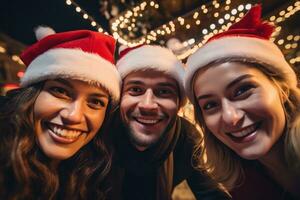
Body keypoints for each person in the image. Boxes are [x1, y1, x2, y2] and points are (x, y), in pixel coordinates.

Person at [184, 5, 300, 200]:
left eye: (243, 90)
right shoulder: (241, 183)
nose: (231, 117)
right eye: (210, 105)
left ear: (282, 91)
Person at [0, 26, 121, 199]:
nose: (74, 116)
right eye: (60, 91)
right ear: (32, 96)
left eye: (95, 102)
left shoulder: (101, 179)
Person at [108, 44, 230, 200]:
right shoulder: (100, 134)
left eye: (164, 92)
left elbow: (209, 192)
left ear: (179, 104)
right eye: (136, 90)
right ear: (119, 98)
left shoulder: (185, 136)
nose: (148, 105)